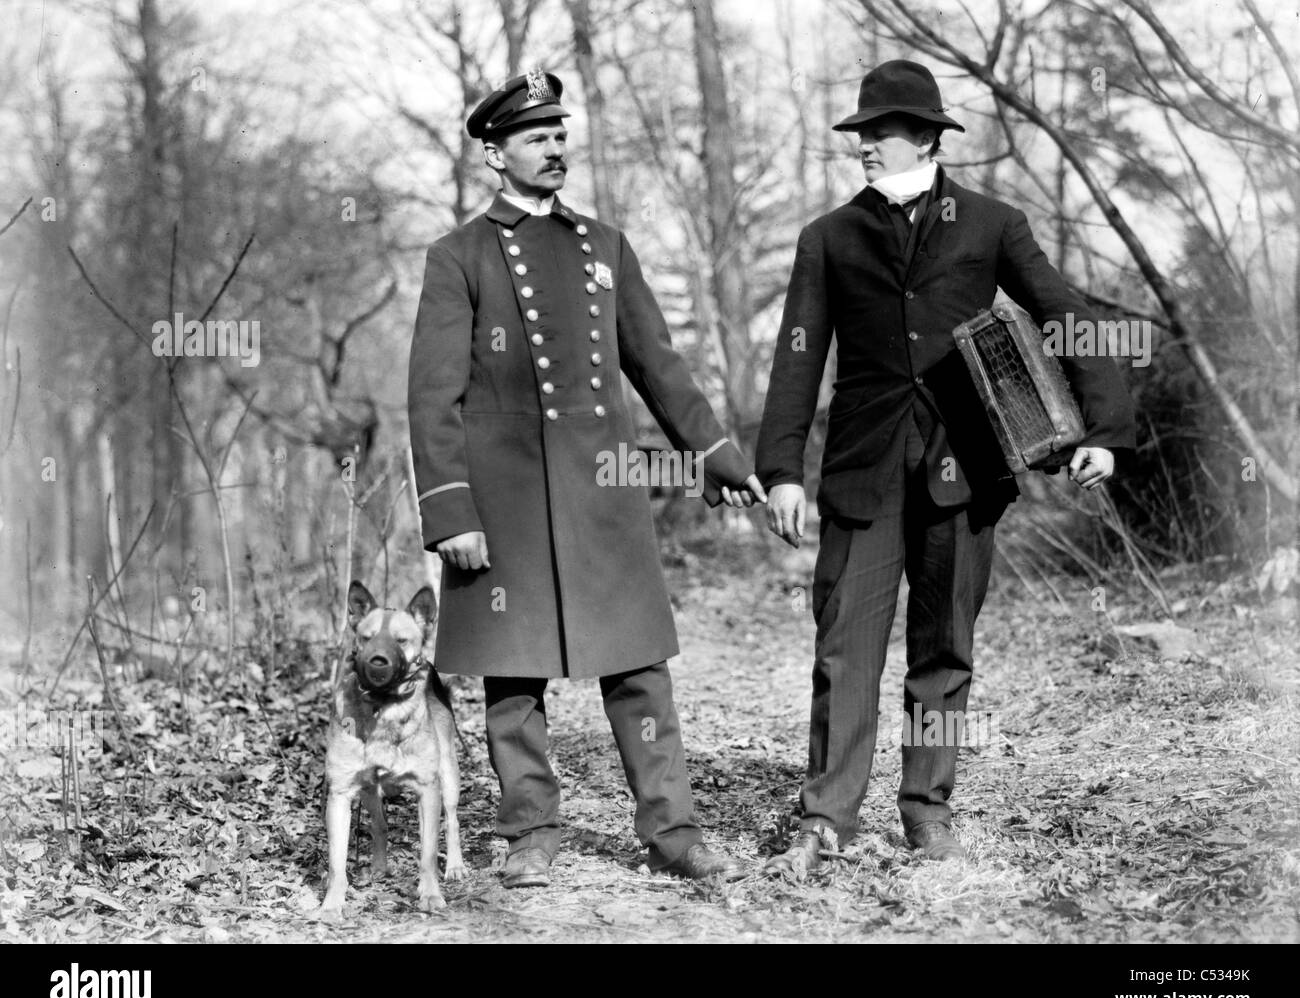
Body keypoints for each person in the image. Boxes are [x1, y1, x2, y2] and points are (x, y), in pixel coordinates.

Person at [756, 59, 1136, 873]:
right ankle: (825, 816)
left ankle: (928, 809)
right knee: (842, 649)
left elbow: (1066, 312)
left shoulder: (992, 223)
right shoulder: (827, 237)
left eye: (879, 132)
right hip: (860, 472)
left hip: (967, 470)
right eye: (859, 133)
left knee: (947, 650)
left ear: (925, 138)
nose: (863, 145)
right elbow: (797, 355)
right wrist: (781, 467)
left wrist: (1104, 427)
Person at [408, 68, 765, 887]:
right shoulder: (457, 256)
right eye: (536, 138)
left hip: (604, 493)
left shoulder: (605, 247)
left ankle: (673, 832)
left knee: (640, 668)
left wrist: (716, 455)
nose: (556, 148)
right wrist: (450, 510)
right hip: (506, 503)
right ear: (495, 155)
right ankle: (531, 830)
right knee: (514, 673)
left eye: (560, 134)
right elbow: (431, 397)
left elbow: (660, 365)